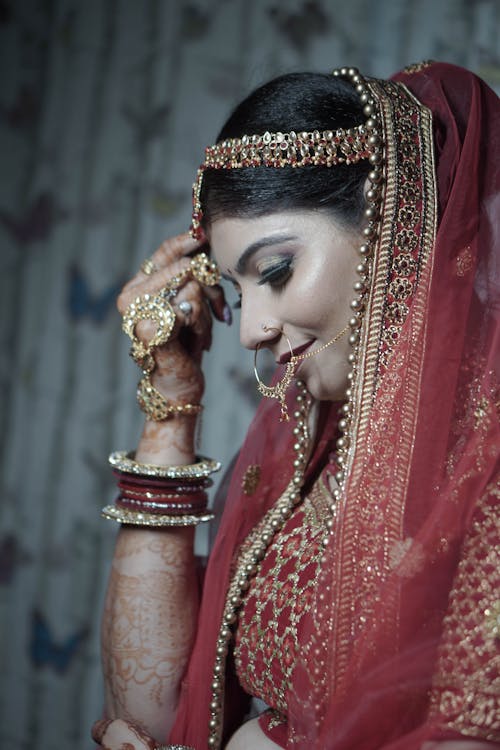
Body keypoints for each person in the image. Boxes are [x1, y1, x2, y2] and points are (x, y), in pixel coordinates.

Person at [91, 62, 500, 750]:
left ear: (395, 227)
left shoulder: (485, 461)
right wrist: (170, 405)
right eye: (240, 291)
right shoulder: (312, 449)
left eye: (275, 272)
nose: (251, 329)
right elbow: (152, 719)